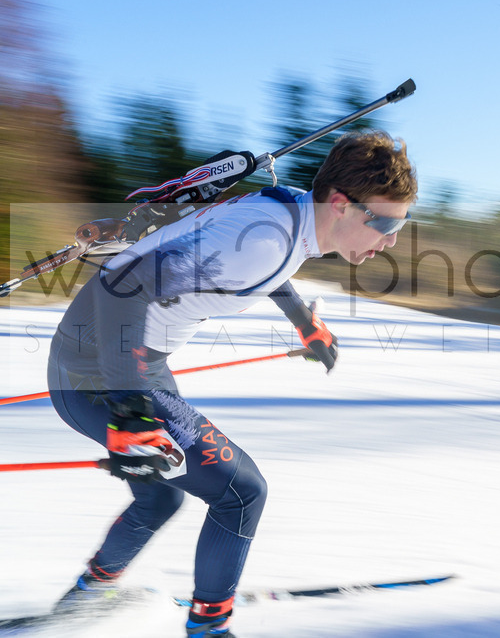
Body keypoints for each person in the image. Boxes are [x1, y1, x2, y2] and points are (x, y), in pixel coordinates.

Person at [46, 131, 417, 638]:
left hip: (116, 360)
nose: (392, 239)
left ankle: (83, 601)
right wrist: (131, 411)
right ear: (341, 204)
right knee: (242, 493)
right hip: (101, 371)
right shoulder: (267, 241)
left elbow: (265, 269)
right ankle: (209, 630)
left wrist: (303, 321)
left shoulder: (288, 213)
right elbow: (123, 289)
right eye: (386, 222)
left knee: (162, 496)